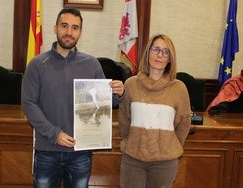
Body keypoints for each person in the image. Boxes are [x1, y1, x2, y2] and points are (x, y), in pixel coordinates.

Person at [21, 8, 124, 188]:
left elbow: (106, 103)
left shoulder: (91, 64)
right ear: (55, 28)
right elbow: (29, 104)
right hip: (47, 150)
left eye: (75, 28)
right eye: (64, 26)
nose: (69, 32)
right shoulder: (37, 64)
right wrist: (55, 134)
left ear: (80, 33)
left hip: (80, 153)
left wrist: (118, 93)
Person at [118, 34, 191, 188]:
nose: (160, 55)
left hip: (165, 163)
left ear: (170, 58)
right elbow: (124, 120)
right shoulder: (131, 84)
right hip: (133, 160)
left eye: (165, 52)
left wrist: (168, 145)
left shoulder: (179, 88)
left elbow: (184, 124)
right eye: (156, 49)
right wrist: (131, 141)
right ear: (148, 53)